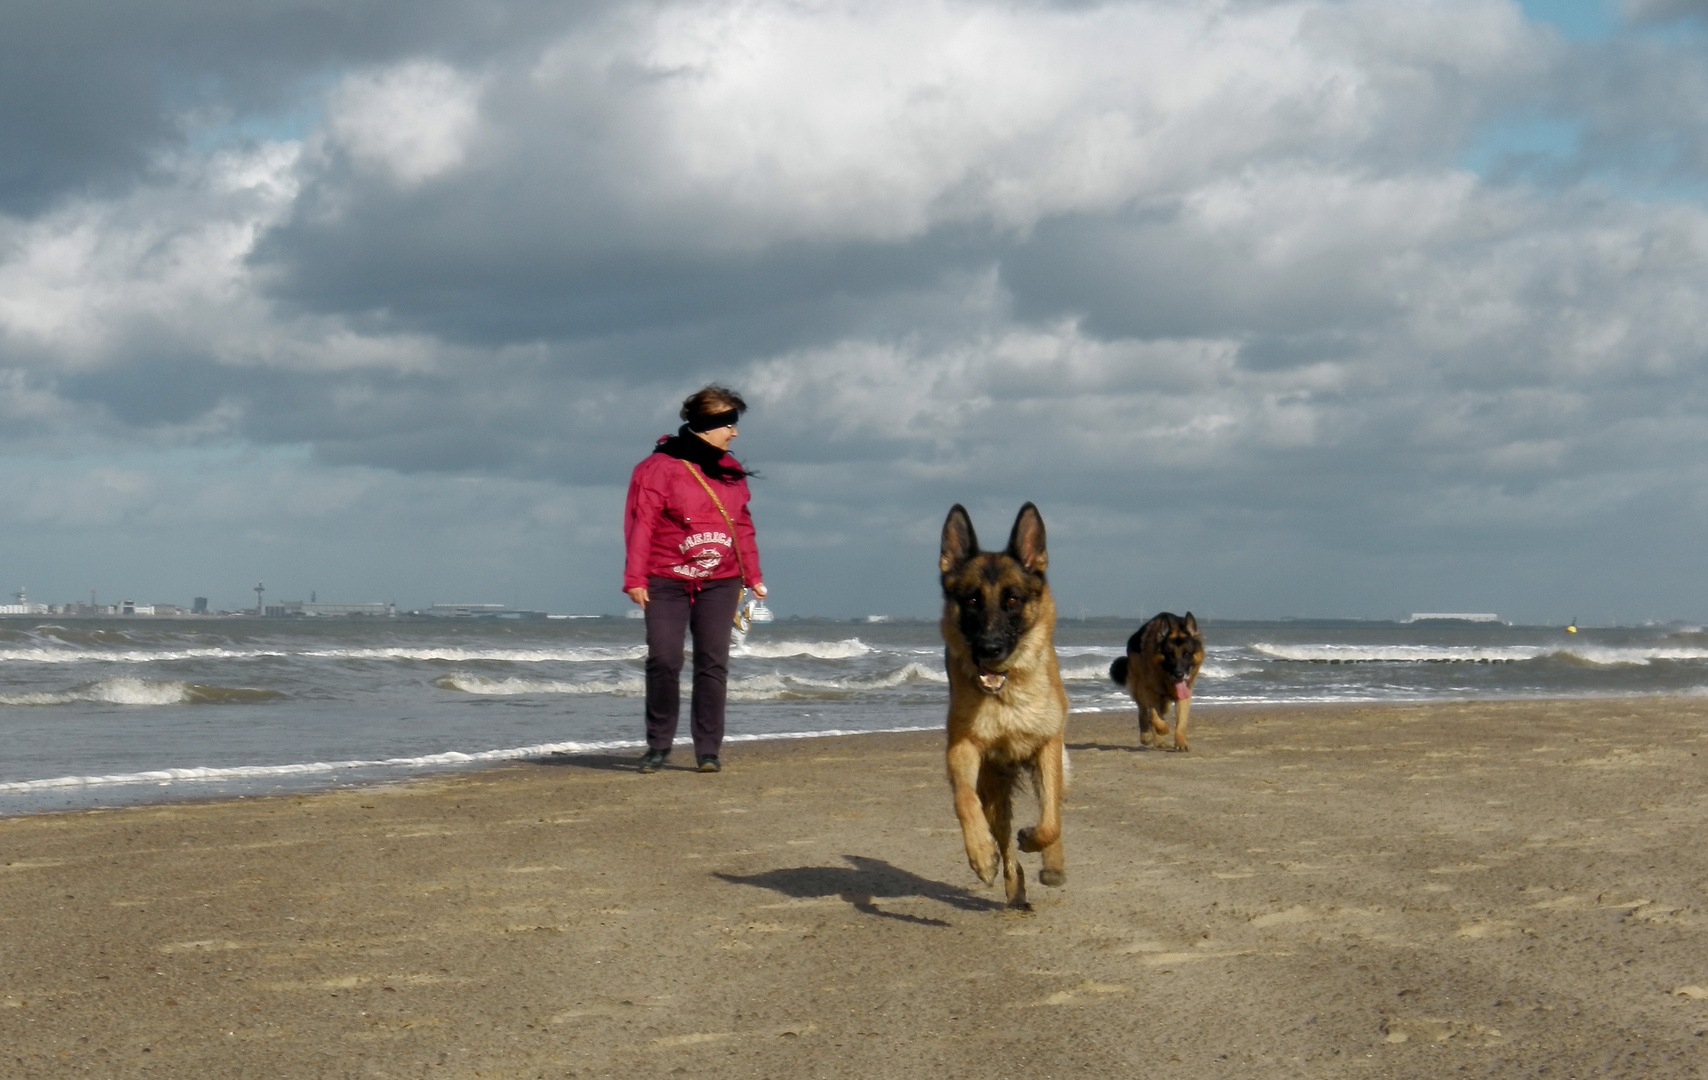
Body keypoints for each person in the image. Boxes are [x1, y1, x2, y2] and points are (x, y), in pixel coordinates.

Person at [623, 385, 766, 774]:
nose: (734, 433)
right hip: (666, 579)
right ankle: (658, 745)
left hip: (722, 579)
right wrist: (635, 577)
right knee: (664, 659)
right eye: (729, 424)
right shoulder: (656, 469)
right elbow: (641, 525)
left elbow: (743, 526)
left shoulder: (730, 471)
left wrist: (752, 575)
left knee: (713, 662)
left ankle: (708, 750)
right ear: (708, 424)